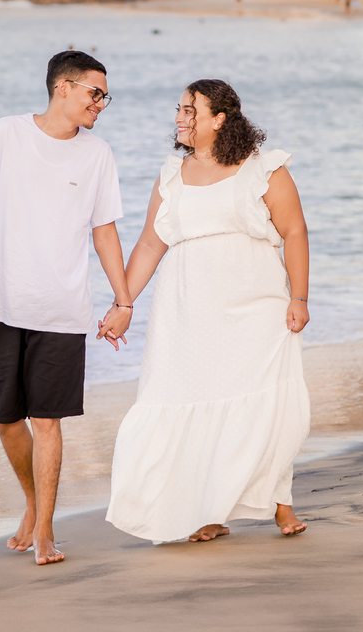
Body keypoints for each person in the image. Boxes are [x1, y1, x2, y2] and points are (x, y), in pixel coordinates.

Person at [0, 51, 133, 566]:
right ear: (63, 88)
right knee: (6, 418)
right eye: (95, 93)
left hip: (63, 310)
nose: (102, 103)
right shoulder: (7, 134)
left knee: (47, 421)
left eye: (105, 96)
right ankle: (32, 503)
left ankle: (46, 529)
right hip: (5, 303)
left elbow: (105, 232)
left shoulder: (98, 154)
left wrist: (124, 300)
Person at [107, 79, 311, 544]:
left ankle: (281, 503)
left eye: (189, 110)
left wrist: (299, 297)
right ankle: (207, 510)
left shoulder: (263, 169)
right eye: (178, 109)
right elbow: (150, 243)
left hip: (254, 307)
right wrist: (123, 303)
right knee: (184, 400)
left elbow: (295, 231)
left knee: (264, 401)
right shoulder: (171, 175)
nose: (179, 117)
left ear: (219, 119)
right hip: (185, 314)